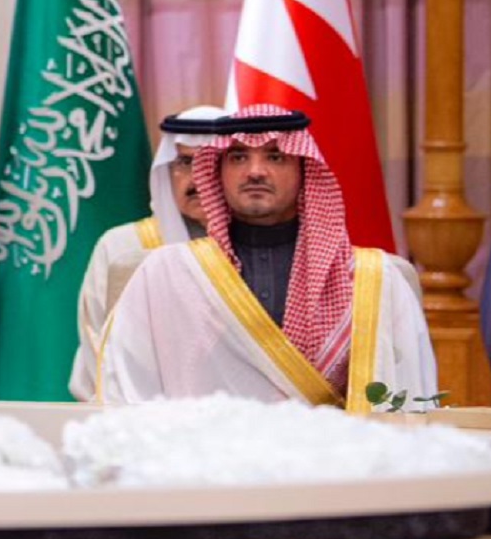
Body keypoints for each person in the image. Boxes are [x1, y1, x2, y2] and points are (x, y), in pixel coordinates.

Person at [99, 105, 436, 408]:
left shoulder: (372, 280)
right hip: (202, 452)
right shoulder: (164, 274)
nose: (255, 171)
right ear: (216, 173)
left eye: (275, 157)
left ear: (304, 171)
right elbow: (127, 390)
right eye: (238, 158)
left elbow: (406, 398)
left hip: (328, 453)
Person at [69, 105, 225, 401]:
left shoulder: (257, 251)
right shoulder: (122, 246)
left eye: (213, 163)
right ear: (166, 170)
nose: (198, 178)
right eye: (185, 162)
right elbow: (98, 355)